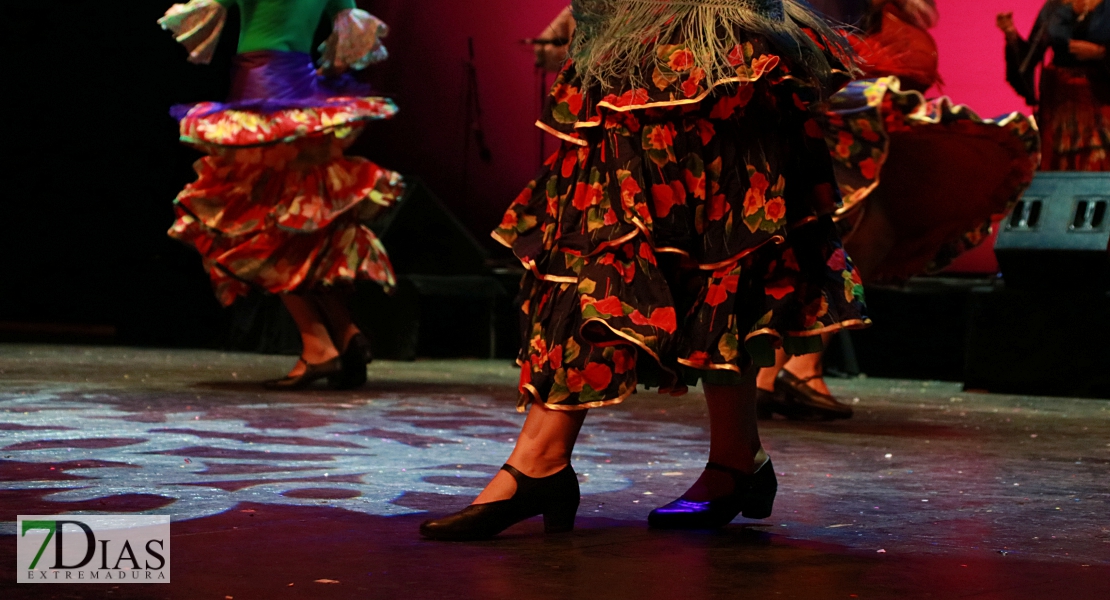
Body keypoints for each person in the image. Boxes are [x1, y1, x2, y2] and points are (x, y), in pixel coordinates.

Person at [419, 0, 869, 541]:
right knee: (619, 242)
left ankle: (555, 462)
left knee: (716, 251)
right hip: (634, 49)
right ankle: (713, 459)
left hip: (715, 48)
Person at [755, 0, 1040, 421]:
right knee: (820, 239)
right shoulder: (827, 11)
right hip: (820, 123)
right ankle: (781, 368)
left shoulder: (888, 12)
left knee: (857, 238)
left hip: (862, 135)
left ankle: (795, 365)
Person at [159, 0, 404, 389]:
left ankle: (317, 346)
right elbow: (350, 33)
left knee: (260, 223)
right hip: (301, 83)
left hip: (261, 83)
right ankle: (345, 331)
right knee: (302, 217)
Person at [999, 0, 1110, 171]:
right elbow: (1029, 58)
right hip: (1059, 103)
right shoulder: (1055, 7)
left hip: (1101, 99)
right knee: (1059, 165)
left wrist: (1100, 53)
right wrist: (1011, 34)